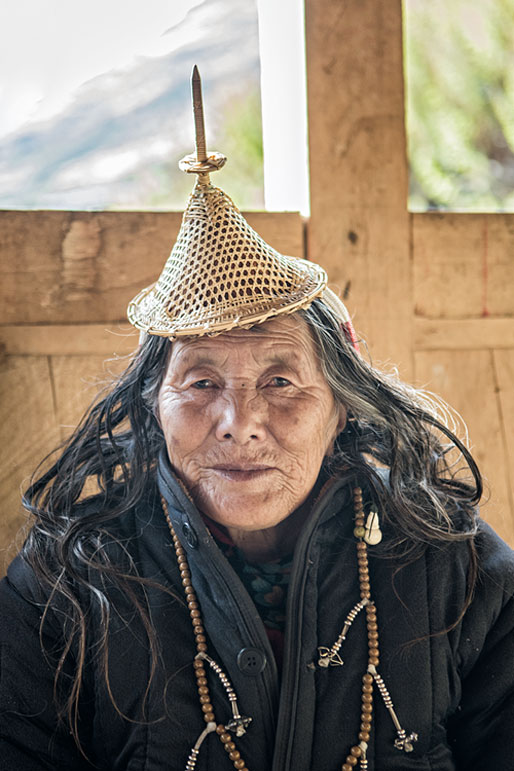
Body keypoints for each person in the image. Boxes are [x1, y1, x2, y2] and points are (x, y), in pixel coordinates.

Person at [1, 69, 514, 771]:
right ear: (154, 406)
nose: (240, 421)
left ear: (341, 405)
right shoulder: (69, 582)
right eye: (201, 381)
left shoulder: (451, 564)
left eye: (281, 381)